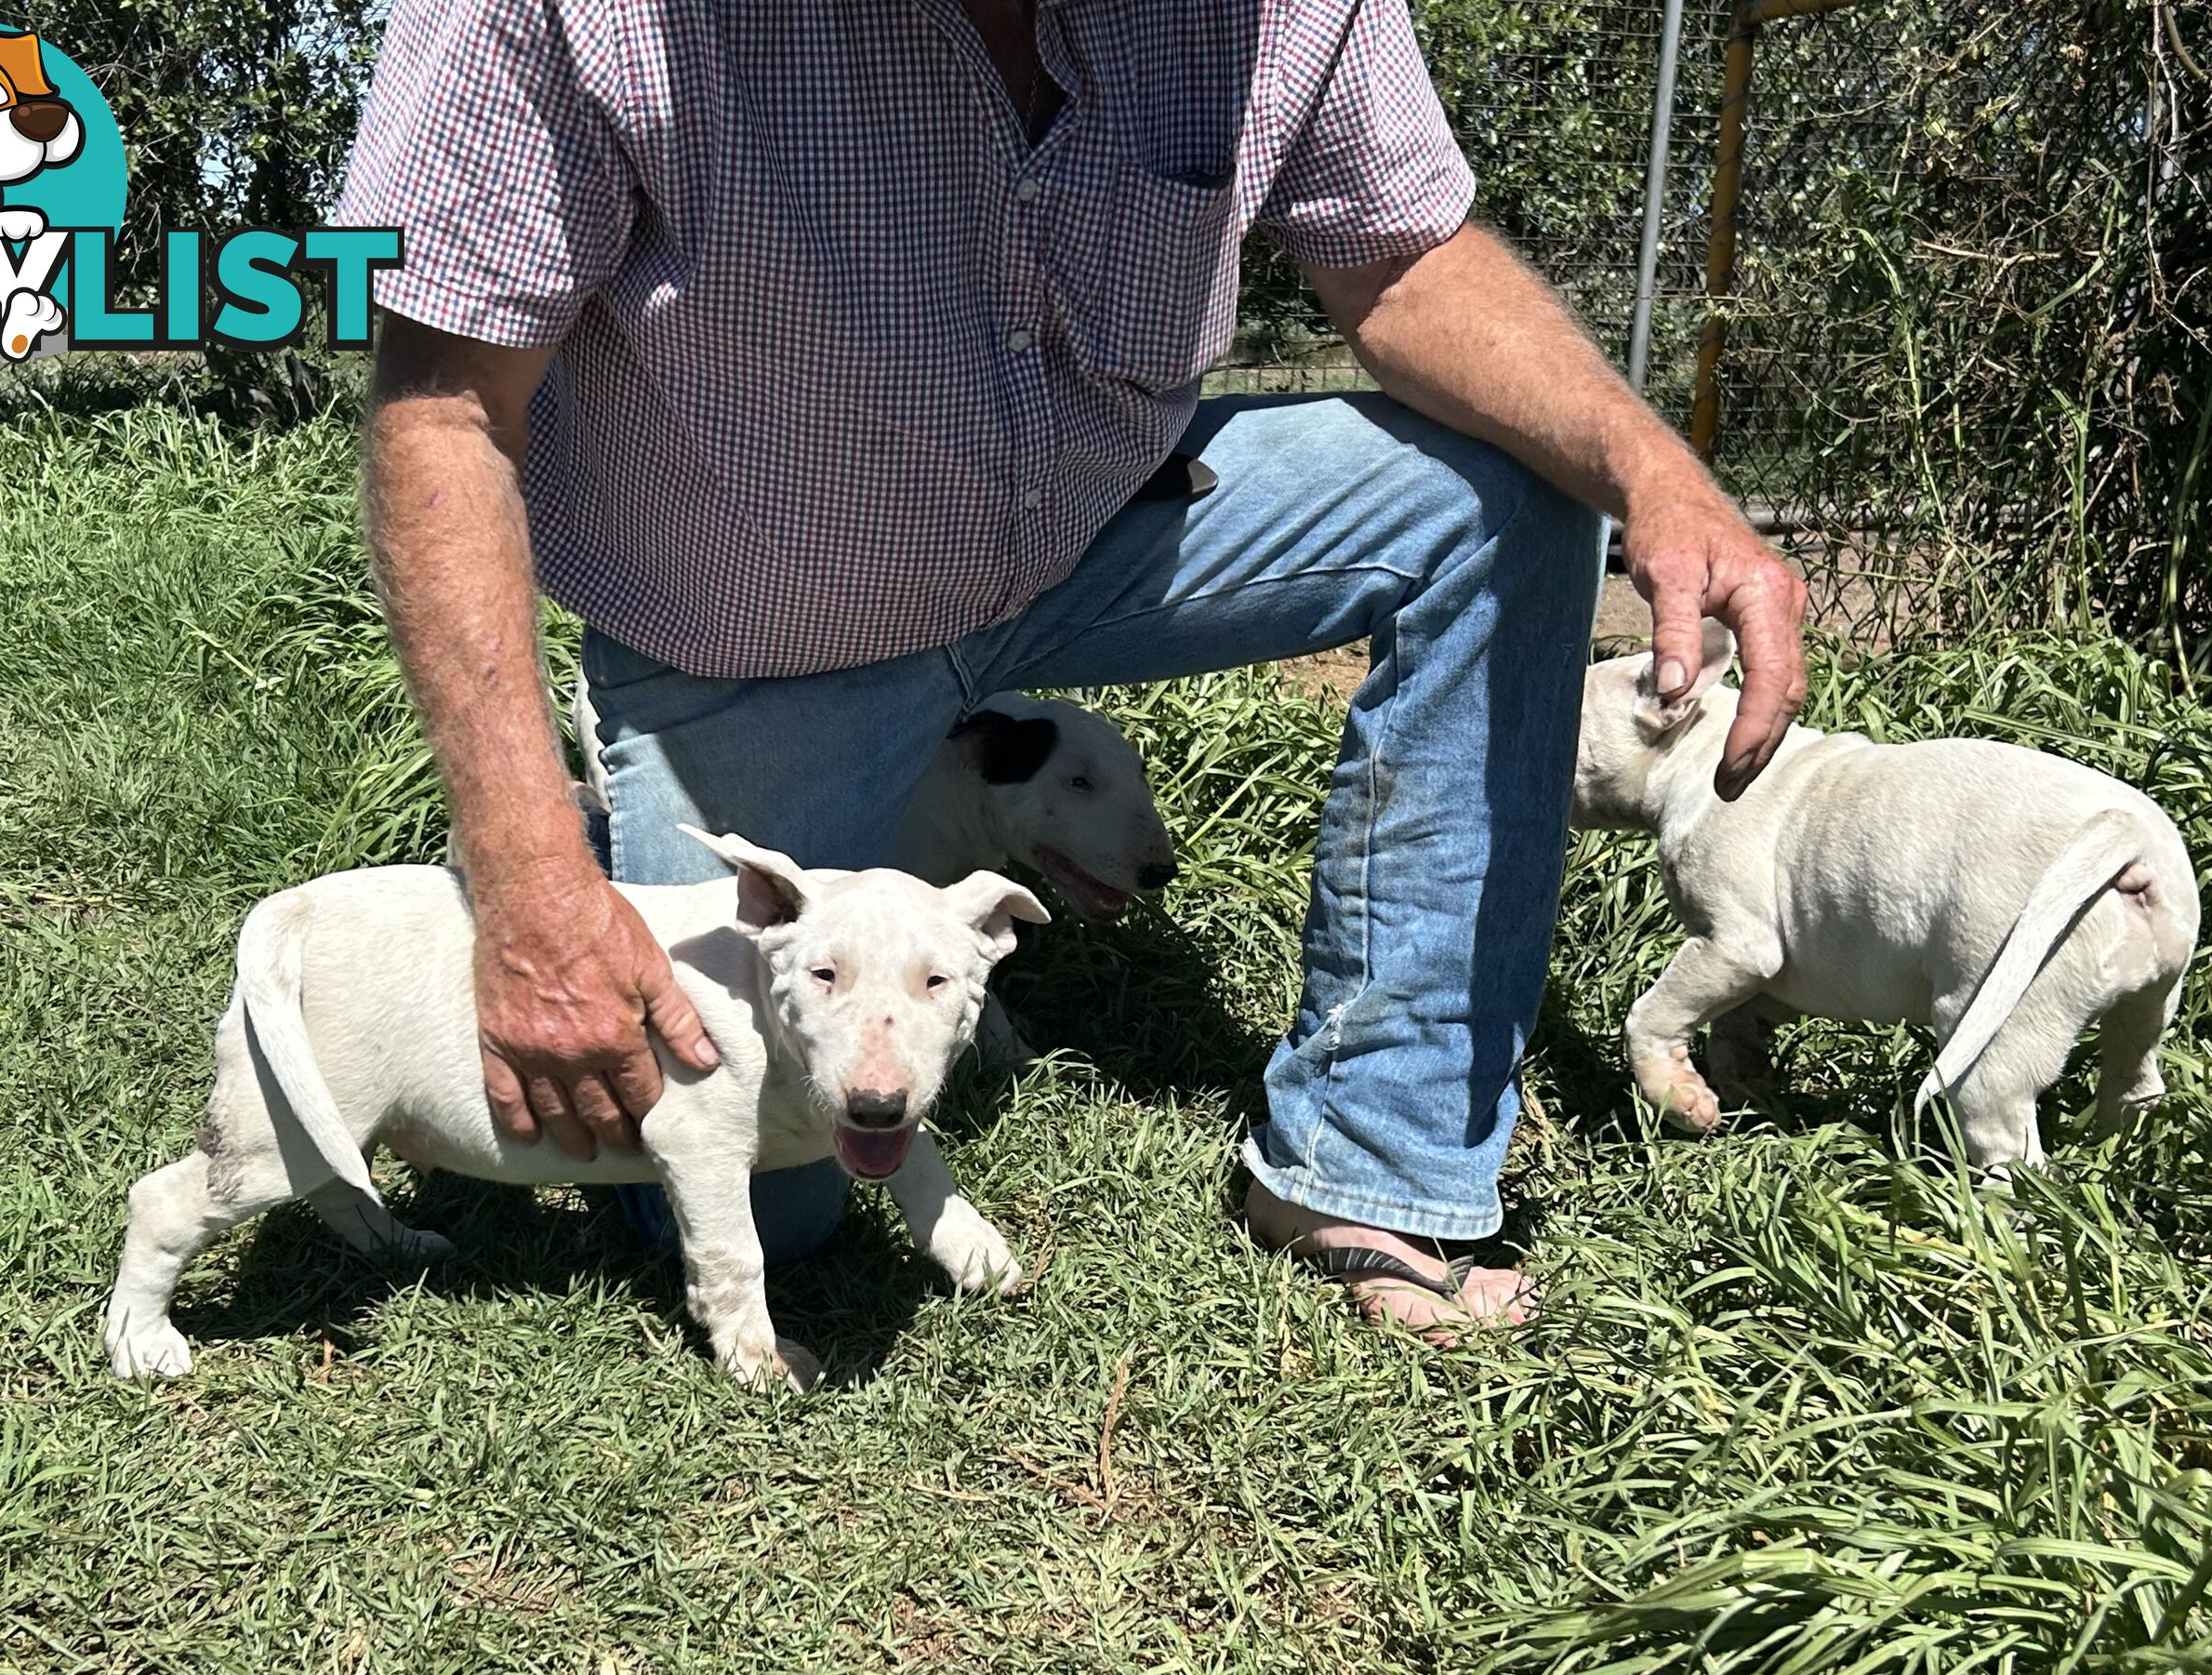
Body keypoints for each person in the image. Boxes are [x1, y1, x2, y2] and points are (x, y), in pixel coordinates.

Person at [338, 0, 1808, 1335]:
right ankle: (609, 834)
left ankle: (1374, 1162)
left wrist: (1654, 470)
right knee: (777, 1191)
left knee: (1503, 493)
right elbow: (442, 406)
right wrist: (529, 887)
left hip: (1094, 534)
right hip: (759, 641)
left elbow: (1398, 252)